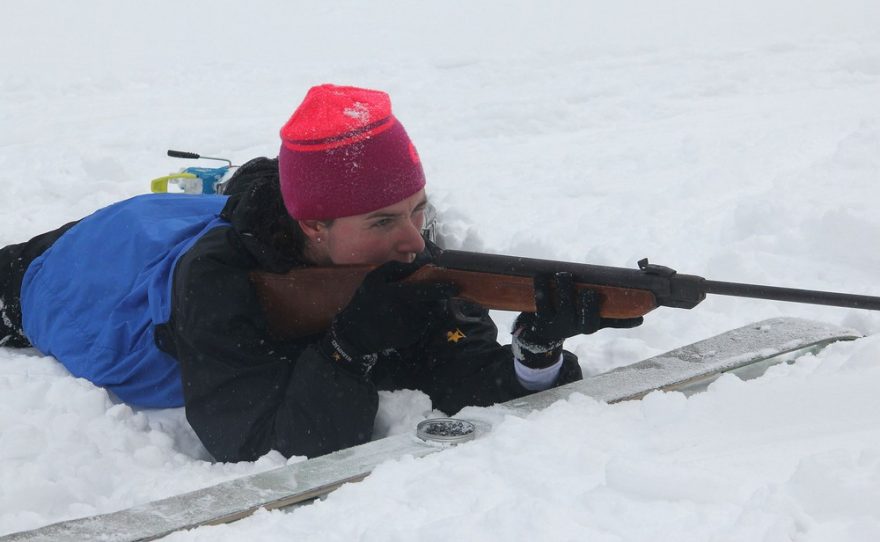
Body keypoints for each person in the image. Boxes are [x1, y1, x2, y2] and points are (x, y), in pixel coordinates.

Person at [0, 84, 641, 462]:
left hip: (179, 226)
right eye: (384, 220)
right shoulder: (218, 282)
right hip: (102, 271)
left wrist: (536, 354)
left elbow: (459, 373)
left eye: (418, 210)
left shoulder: (409, 253)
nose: (415, 240)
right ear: (315, 226)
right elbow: (253, 445)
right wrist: (346, 348)